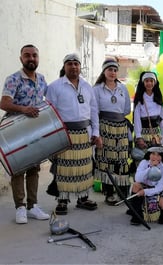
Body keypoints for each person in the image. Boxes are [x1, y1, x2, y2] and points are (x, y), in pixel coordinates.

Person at [46, 53, 102, 215]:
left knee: (84, 168)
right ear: (64, 67)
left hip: (85, 133)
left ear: (80, 67)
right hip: (65, 134)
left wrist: (96, 132)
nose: (73, 66)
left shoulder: (87, 86)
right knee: (64, 169)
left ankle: (83, 198)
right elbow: (50, 113)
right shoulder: (55, 86)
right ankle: (62, 200)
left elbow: (93, 111)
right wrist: (54, 137)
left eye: (76, 63)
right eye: (69, 63)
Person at [0, 44, 50, 223]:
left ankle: (32, 206)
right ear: (21, 58)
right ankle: (20, 208)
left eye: (34, 55)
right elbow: (4, 103)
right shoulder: (13, 79)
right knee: (18, 169)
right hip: (16, 131)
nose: (31, 58)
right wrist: (23, 109)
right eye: (27, 55)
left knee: (34, 169)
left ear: (38, 58)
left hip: (35, 131)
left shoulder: (42, 79)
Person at [93, 58, 131, 205]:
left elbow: (127, 108)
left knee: (121, 160)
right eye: (110, 69)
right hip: (105, 127)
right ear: (104, 71)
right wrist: (97, 133)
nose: (113, 73)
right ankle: (109, 192)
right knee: (106, 161)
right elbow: (94, 111)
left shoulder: (123, 89)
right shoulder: (96, 89)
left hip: (120, 127)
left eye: (115, 70)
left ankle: (121, 191)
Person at [129, 146, 163, 225]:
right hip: (142, 186)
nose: (155, 157)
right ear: (149, 154)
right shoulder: (144, 163)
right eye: (153, 154)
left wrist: (145, 192)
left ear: (162, 156)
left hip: (156, 191)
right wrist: (150, 168)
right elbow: (138, 178)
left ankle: (161, 213)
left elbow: (160, 187)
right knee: (136, 185)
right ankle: (136, 215)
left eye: (159, 155)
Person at [133, 71, 163, 149]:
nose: (149, 83)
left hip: (156, 135)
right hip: (143, 134)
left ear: (155, 82)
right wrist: (139, 137)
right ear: (143, 82)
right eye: (146, 81)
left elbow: (161, 118)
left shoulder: (158, 97)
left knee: (156, 158)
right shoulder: (140, 98)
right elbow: (137, 119)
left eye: (151, 81)